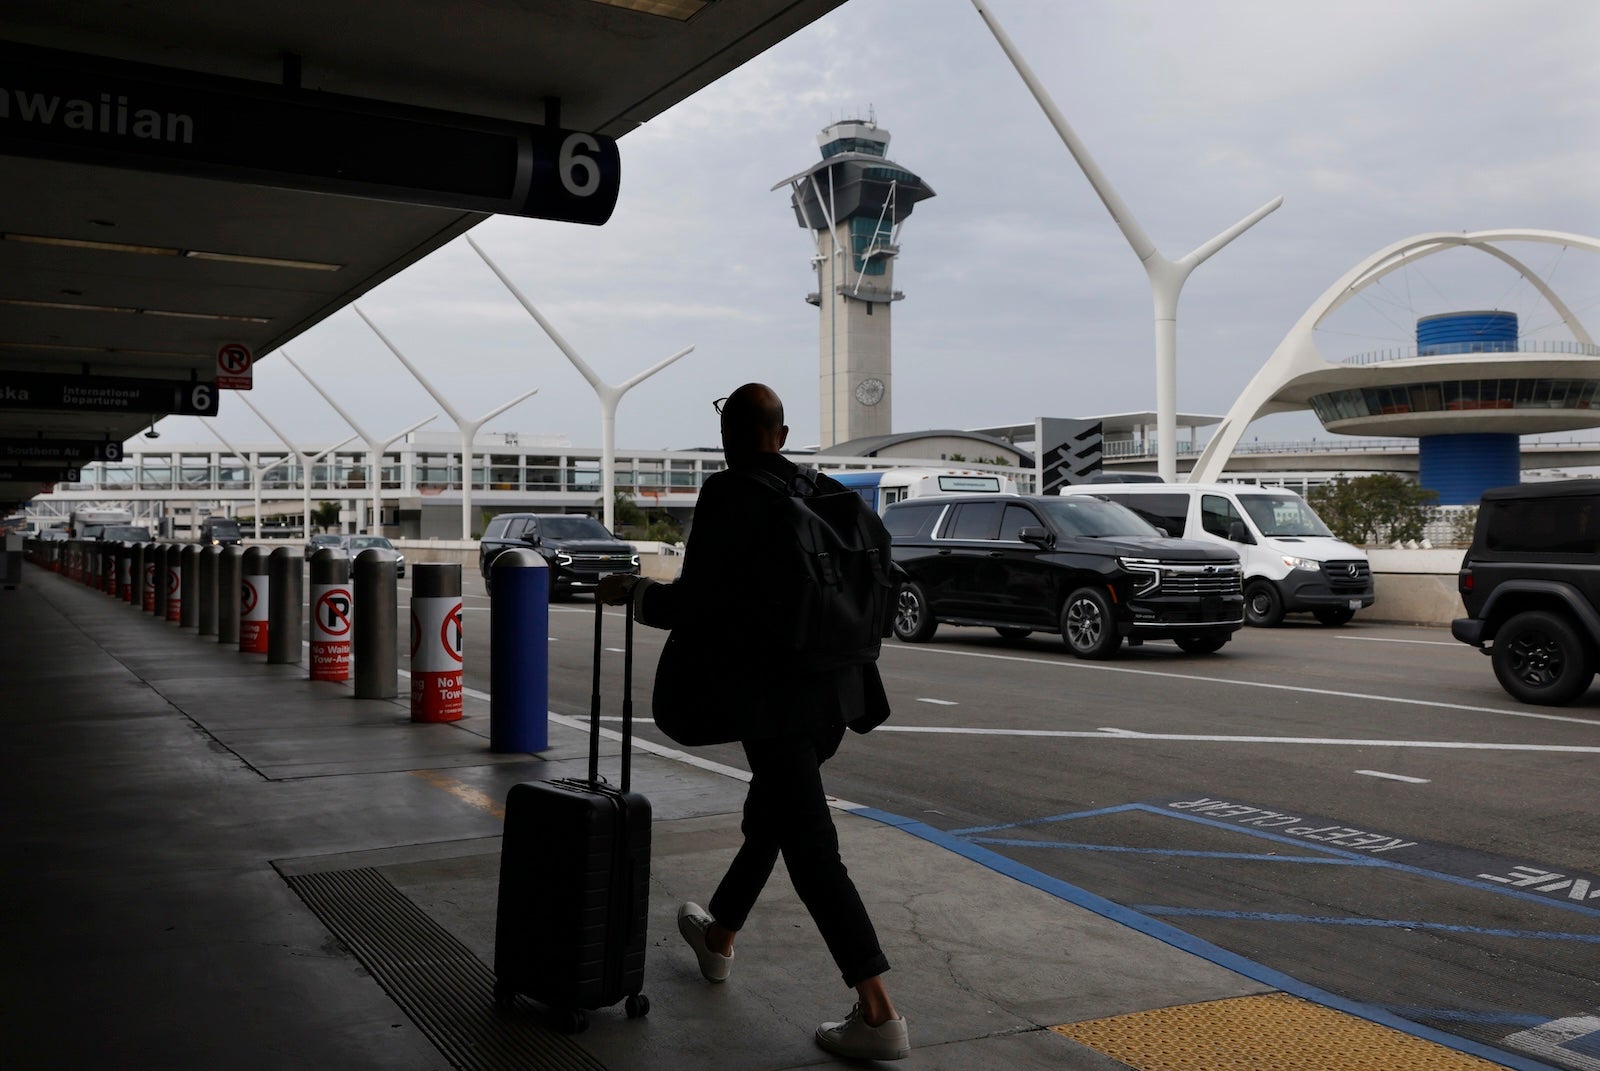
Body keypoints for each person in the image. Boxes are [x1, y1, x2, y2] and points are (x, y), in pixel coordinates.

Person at [597, 382, 909, 1061]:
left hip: (780, 702)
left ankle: (879, 1011)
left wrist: (636, 593)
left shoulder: (730, 495)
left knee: (810, 848)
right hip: (842, 692)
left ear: (727, 439)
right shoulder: (817, 488)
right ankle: (719, 936)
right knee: (773, 814)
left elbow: (697, 604)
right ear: (782, 432)